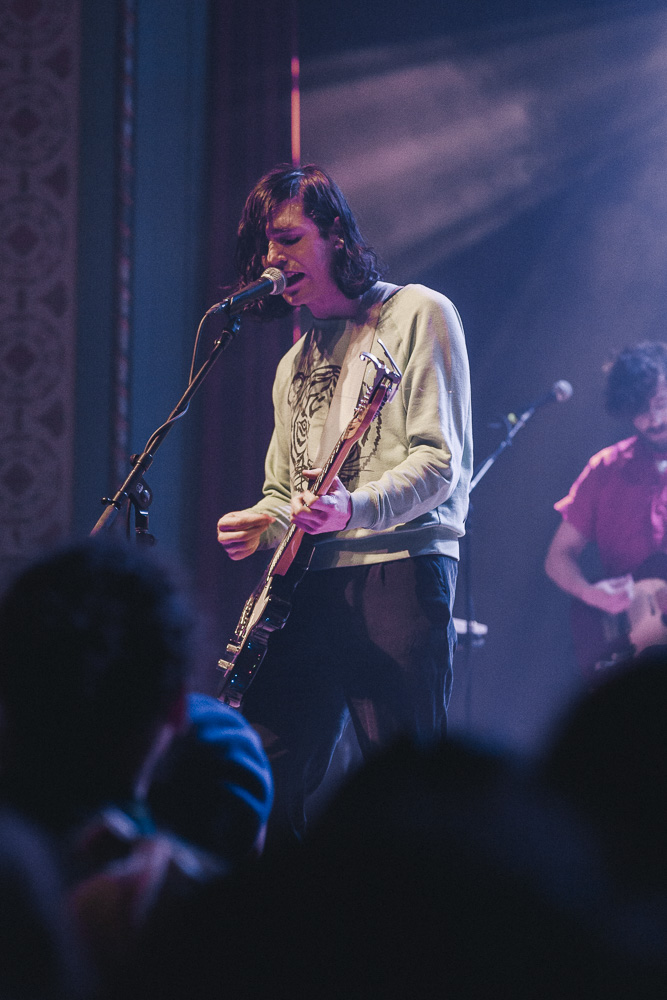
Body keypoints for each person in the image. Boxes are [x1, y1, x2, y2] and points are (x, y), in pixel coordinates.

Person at [216, 164, 473, 841]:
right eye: (264, 246)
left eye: (289, 238)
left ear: (335, 235)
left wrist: (352, 510)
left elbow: (437, 462)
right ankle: (281, 930)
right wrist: (262, 521)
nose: (273, 258)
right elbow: (285, 491)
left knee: (402, 785)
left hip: (396, 572)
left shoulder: (417, 312)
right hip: (305, 587)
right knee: (265, 772)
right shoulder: (292, 361)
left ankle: (417, 939)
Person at [545, 343, 667, 677]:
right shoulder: (606, 467)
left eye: (660, 403)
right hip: (629, 650)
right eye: (641, 410)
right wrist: (590, 593)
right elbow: (558, 557)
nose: (654, 419)